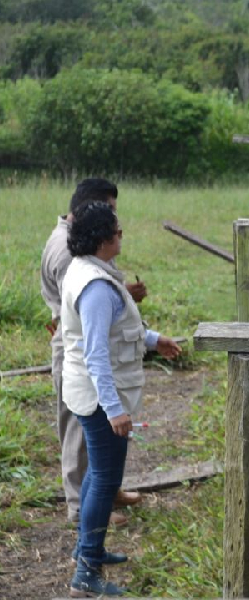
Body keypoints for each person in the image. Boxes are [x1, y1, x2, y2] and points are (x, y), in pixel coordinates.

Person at [62, 201, 181, 596]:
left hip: (90, 392)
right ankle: (87, 572)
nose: (121, 235)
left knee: (98, 475)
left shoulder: (90, 272)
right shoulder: (96, 287)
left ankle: (87, 550)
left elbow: (116, 329)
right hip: (100, 399)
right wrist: (113, 409)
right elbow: (96, 352)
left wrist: (153, 339)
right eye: (117, 230)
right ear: (101, 240)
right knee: (104, 481)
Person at [40, 178, 148, 526]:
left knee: (98, 447)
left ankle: (105, 492)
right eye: (112, 217)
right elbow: (92, 334)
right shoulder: (69, 256)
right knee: (79, 432)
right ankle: (80, 508)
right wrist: (115, 408)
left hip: (85, 345)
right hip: (75, 351)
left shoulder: (84, 254)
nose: (117, 227)